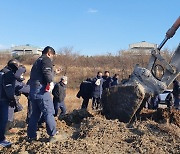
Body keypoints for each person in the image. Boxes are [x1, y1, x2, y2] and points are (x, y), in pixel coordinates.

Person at [27, 46, 62, 143]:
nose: (52, 58)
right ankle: (53, 134)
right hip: (41, 91)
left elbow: (41, 74)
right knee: (48, 112)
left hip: (33, 90)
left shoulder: (37, 61)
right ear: (49, 53)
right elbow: (46, 72)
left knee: (35, 114)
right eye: (52, 56)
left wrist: (54, 72)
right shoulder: (46, 59)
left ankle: (31, 136)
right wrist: (50, 82)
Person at [0, 59, 20, 147]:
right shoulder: (9, 74)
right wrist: (12, 99)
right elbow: (8, 88)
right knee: (3, 120)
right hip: (3, 100)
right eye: (17, 66)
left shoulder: (2, 72)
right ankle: (1, 140)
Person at [6, 65, 30, 135]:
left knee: (10, 115)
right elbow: (25, 89)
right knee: (8, 116)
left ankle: (8, 128)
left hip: (11, 101)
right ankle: (6, 131)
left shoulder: (16, 80)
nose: (23, 75)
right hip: (9, 101)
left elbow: (24, 87)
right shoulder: (14, 81)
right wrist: (35, 86)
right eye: (22, 74)